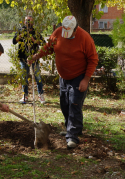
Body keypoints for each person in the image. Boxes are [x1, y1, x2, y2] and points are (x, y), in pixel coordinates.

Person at [28, 16, 98, 149]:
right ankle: (73, 129)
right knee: (64, 104)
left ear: (76, 28)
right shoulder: (58, 33)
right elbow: (48, 48)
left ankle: (72, 136)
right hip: (64, 77)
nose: (66, 33)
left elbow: (93, 59)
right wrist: (36, 56)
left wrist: (86, 79)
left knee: (74, 104)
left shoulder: (85, 38)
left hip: (79, 76)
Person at [13, 16, 46, 104]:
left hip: (34, 57)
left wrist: (33, 40)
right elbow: (14, 41)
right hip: (23, 58)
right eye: (26, 20)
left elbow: (43, 43)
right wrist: (21, 35)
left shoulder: (35, 32)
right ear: (24, 22)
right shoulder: (20, 30)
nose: (28, 22)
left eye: (30, 20)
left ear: (32, 22)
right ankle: (25, 95)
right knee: (24, 77)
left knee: (37, 76)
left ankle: (41, 95)